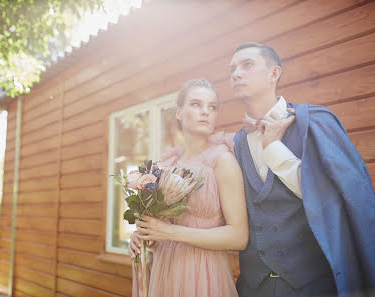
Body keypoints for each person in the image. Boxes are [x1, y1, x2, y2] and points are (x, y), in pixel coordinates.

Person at [229, 42, 375, 297]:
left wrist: (273, 147)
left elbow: (334, 198)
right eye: (232, 69)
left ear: (274, 73)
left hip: (312, 286)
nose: (236, 73)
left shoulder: (315, 123)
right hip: (252, 287)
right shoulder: (237, 142)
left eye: (247, 65)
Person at [128, 78, 248, 297]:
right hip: (165, 270)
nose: (205, 112)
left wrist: (171, 232)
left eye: (212, 107)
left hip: (203, 273)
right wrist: (143, 237)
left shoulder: (222, 161)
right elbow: (161, 228)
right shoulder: (168, 164)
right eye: (196, 104)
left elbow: (239, 236)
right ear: (179, 113)